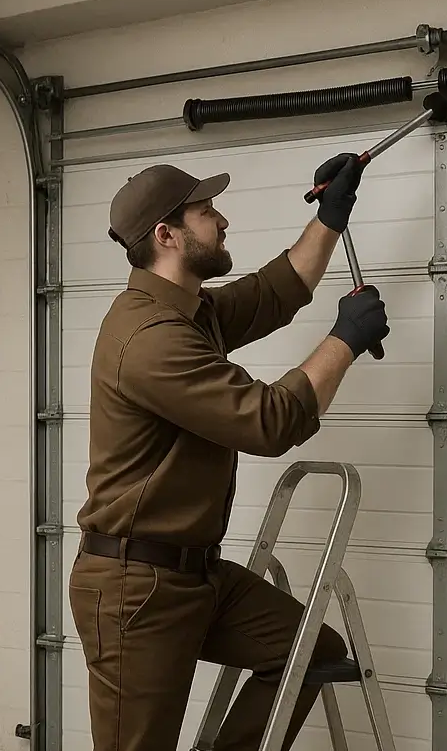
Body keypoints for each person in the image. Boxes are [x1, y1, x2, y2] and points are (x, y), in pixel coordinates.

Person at [68, 153, 389, 751]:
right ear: (166, 235)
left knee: (307, 651)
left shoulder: (189, 313)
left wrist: (331, 215)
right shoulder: (150, 338)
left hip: (196, 575)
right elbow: (268, 423)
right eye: (206, 212)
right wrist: (345, 339)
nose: (223, 220)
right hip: (137, 589)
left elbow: (277, 290)